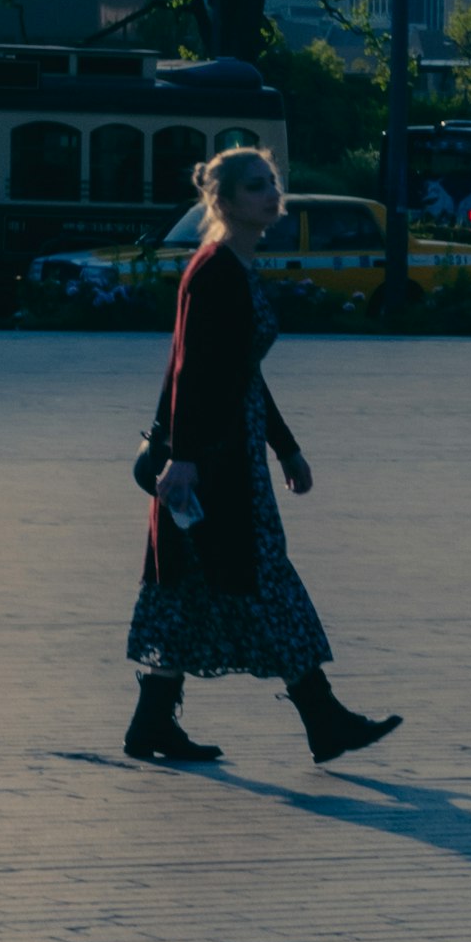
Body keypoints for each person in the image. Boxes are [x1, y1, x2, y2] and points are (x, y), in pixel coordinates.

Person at [124, 144, 401, 771]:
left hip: (228, 455)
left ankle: (152, 722)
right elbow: (190, 372)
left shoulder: (235, 267)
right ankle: (324, 721)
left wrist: (287, 446)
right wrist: (188, 458)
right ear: (222, 201)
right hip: (213, 464)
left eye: (273, 182)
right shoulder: (215, 269)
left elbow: (242, 372)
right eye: (256, 186)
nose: (271, 194)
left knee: (193, 590)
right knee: (265, 583)